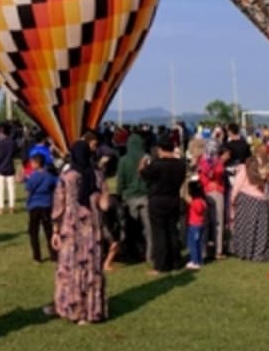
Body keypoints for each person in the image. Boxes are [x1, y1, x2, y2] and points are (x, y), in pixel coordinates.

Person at [45, 140, 109, 324]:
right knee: (92, 268)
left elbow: (58, 207)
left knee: (70, 268)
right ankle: (92, 310)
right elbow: (105, 204)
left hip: (70, 228)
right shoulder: (98, 175)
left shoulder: (67, 177)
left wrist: (55, 231)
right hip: (92, 229)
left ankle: (72, 308)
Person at [141, 135, 186, 274]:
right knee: (172, 230)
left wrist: (142, 165)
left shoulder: (156, 164)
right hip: (173, 198)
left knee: (159, 233)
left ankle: (161, 265)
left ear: (160, 149)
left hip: (158, 199)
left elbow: (144, 175)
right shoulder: (180, 164)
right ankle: (175, 261)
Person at [230, 157, 269, 262]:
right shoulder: (264, 170)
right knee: (260, 230)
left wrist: (232, 201)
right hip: (262, 202)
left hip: (246, 201)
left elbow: (236, 186)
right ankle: (259, 254)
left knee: (245, 227)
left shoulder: (243, 170)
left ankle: (244, 252)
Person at [116, 133, 150, 263]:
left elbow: (120, 181)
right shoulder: (146, 158)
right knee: (148, 228)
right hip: (145, 195)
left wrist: (119, 195)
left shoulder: (123, 160)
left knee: (131, 227)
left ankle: (132, 253)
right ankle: (149, 253)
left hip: (130, 197)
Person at [24, 153, 57, 263]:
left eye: (32, 163)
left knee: (33, 232)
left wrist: (27, 202)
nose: (31, 165)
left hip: (35, 206)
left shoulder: (34, 176)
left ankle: (37, 257)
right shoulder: (50, 176)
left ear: (37, 164)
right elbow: (56, 185)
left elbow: (28, 189)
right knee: (49, 231)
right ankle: (53, 254)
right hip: (47, 205)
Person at [0, 126, 17, 215]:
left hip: (0, 168)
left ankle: (1, 208)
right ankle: (12, 207)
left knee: (1, 189)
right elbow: (15, 153)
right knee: (11, 189)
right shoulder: (12, 143)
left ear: (2, 133)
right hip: (10, 167)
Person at [186, 182, 207, 270]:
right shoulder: (202, 200)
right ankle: (198, 260)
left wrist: (191, 203)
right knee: (196, 243)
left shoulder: (197, 201)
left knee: (194, 244)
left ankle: (196, 261)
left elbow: (198, 210)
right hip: (197, 225)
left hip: (195, 226)